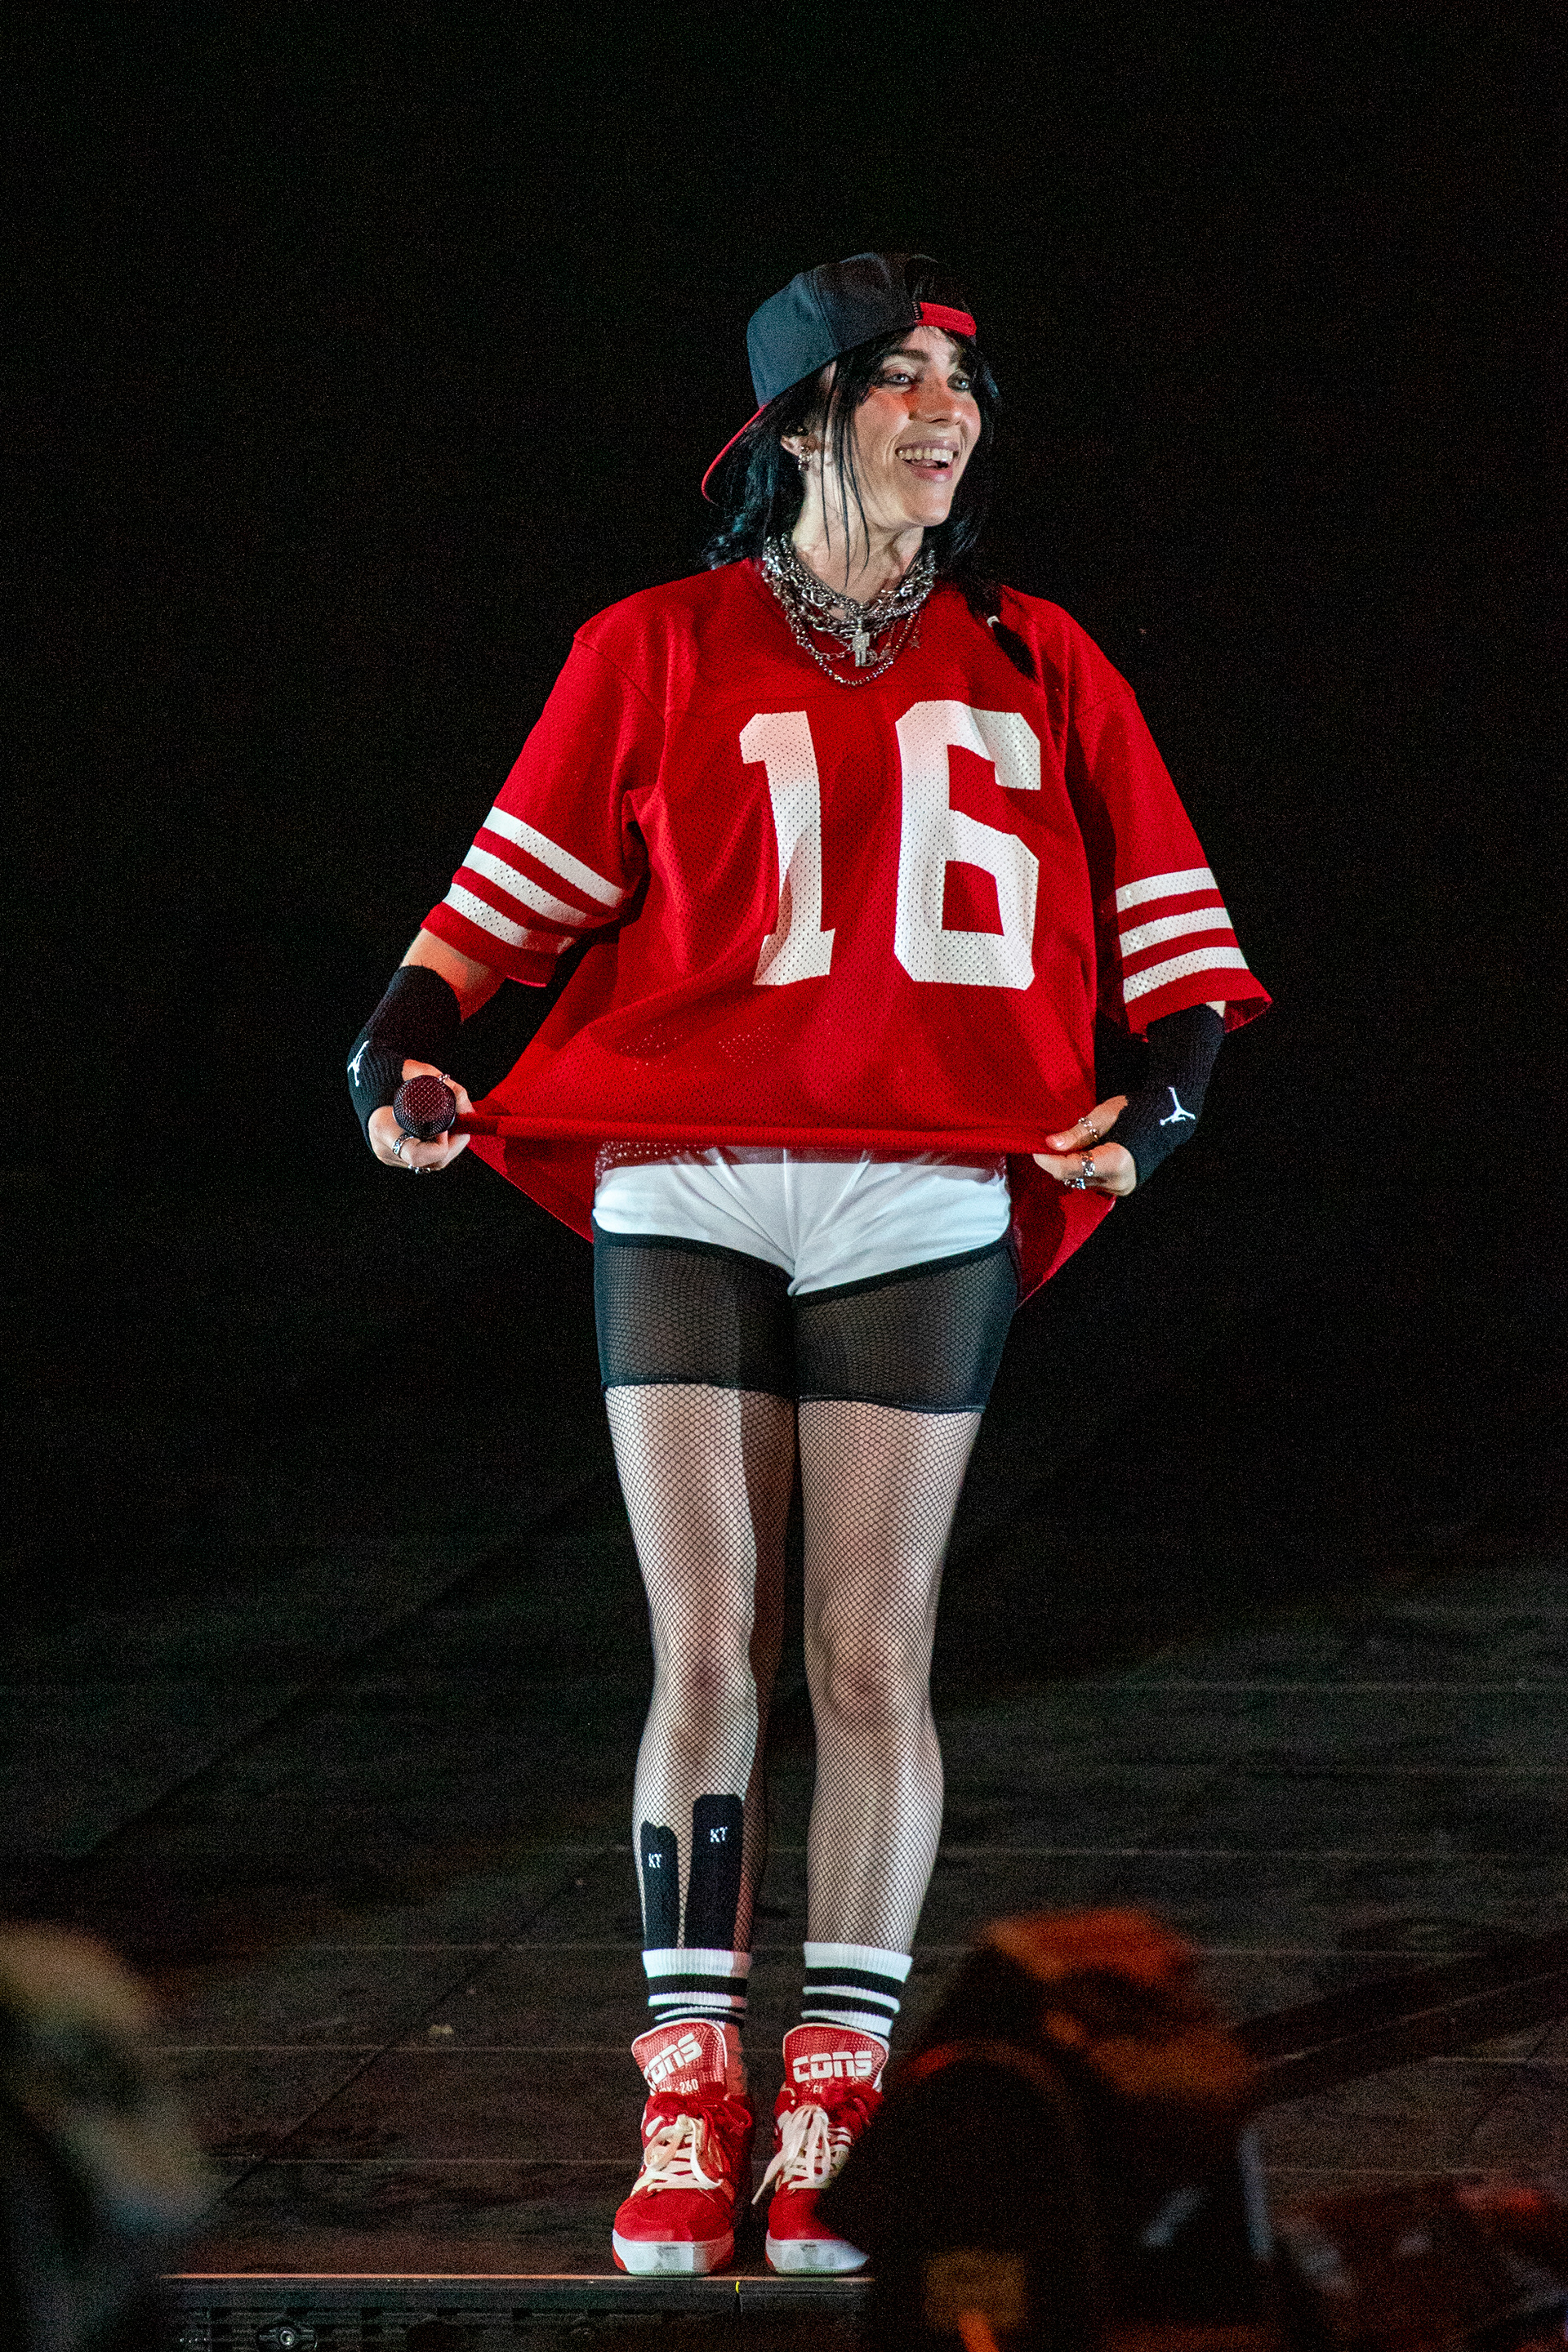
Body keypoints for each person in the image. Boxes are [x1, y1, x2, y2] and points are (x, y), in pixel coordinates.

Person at [345, 251, 1268, 2278]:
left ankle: (832, 2110)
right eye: (902, 377)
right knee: (704, 1648)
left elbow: (1182, 941)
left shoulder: (1040, 655)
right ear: (800, 422)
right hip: (687, 1168)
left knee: (866, 1653)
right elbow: (496, 911)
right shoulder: (654, 645)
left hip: (921, 1189)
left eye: (966, 382)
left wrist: (1168, 1104)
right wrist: (395, 1048)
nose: (950, 411)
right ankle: (690, 2097)